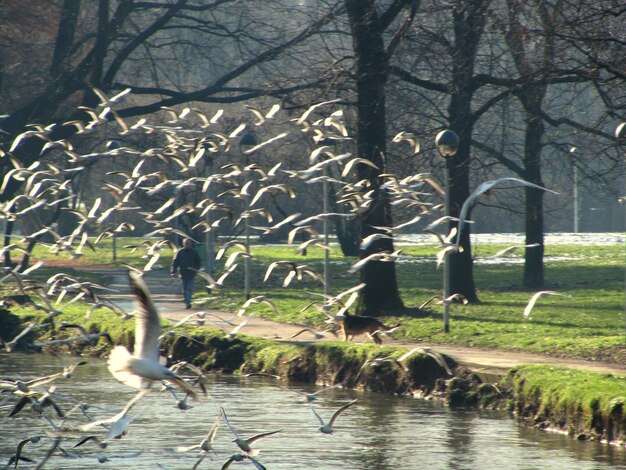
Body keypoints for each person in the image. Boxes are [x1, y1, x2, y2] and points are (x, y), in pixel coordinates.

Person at [171, 238, 201, 309]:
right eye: (186, 244)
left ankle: (188, 303)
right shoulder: (180, 252)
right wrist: (173, 272)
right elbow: (175, 262)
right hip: (183, 273)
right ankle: (186, 301)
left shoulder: (194, 252)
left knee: (189, 289)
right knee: (185, 290)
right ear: (183, 244)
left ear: (190, 244)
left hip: (191, 273)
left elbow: (198, 262)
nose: (187, 245)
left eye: (189, 244)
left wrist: (196, 269)